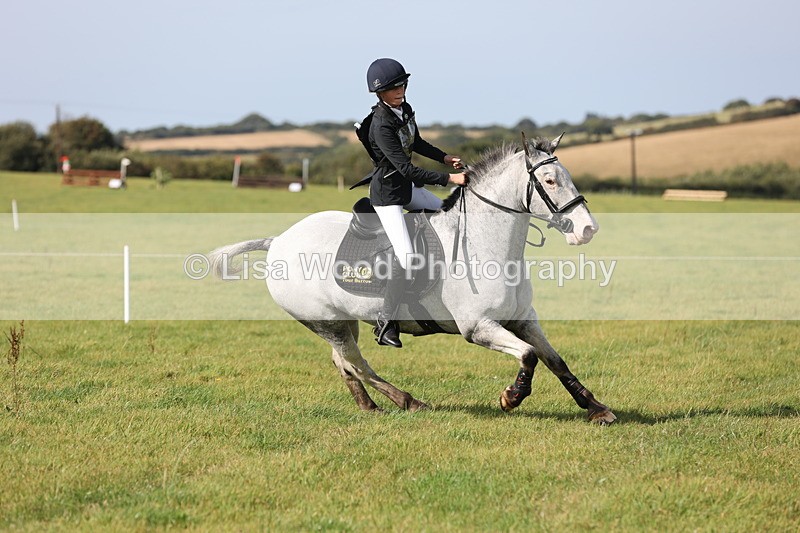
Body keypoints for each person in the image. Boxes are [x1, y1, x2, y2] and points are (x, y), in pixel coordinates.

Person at [364, 58, 468, 348]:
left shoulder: (404, 110)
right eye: (391, 88)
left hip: (406, 189)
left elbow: (417, 142)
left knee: (448, 217)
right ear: (379, 93)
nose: (399, 90)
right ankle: (386, 322)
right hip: (388, 197)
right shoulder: (380, 124)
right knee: (407, 257)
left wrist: (444, 156)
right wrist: (450, 179)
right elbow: (407, 168)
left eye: (402, 84)